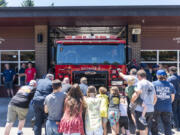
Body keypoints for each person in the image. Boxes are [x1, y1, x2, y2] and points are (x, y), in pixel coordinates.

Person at [131, 69, 157, 135]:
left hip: (141, 110)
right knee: (145, 127)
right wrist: (151, 105)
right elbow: (155, 98)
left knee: (141, 129)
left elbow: (136, 94)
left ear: (139, 76)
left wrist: (132, 101)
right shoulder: (151, 84)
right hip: (150, 109)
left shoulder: (140, 83)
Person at [151, 70, 176, 135]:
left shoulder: (153, 84)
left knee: (154, 123)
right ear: (165, 76)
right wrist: (167, 103)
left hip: (156, 107)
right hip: (167, 107)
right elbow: (172, 98)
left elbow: (151, 96)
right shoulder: (170, 85)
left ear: (157, 76)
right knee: (167, 124)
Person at [167, 66, 180, 131]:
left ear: (171, 71)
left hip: (173, 96)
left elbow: (168, 88)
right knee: (178, 110)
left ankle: (175, 125)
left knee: (173, 111)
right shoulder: (179, 77)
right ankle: (178, 124)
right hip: (179, 96)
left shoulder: (170, 79)